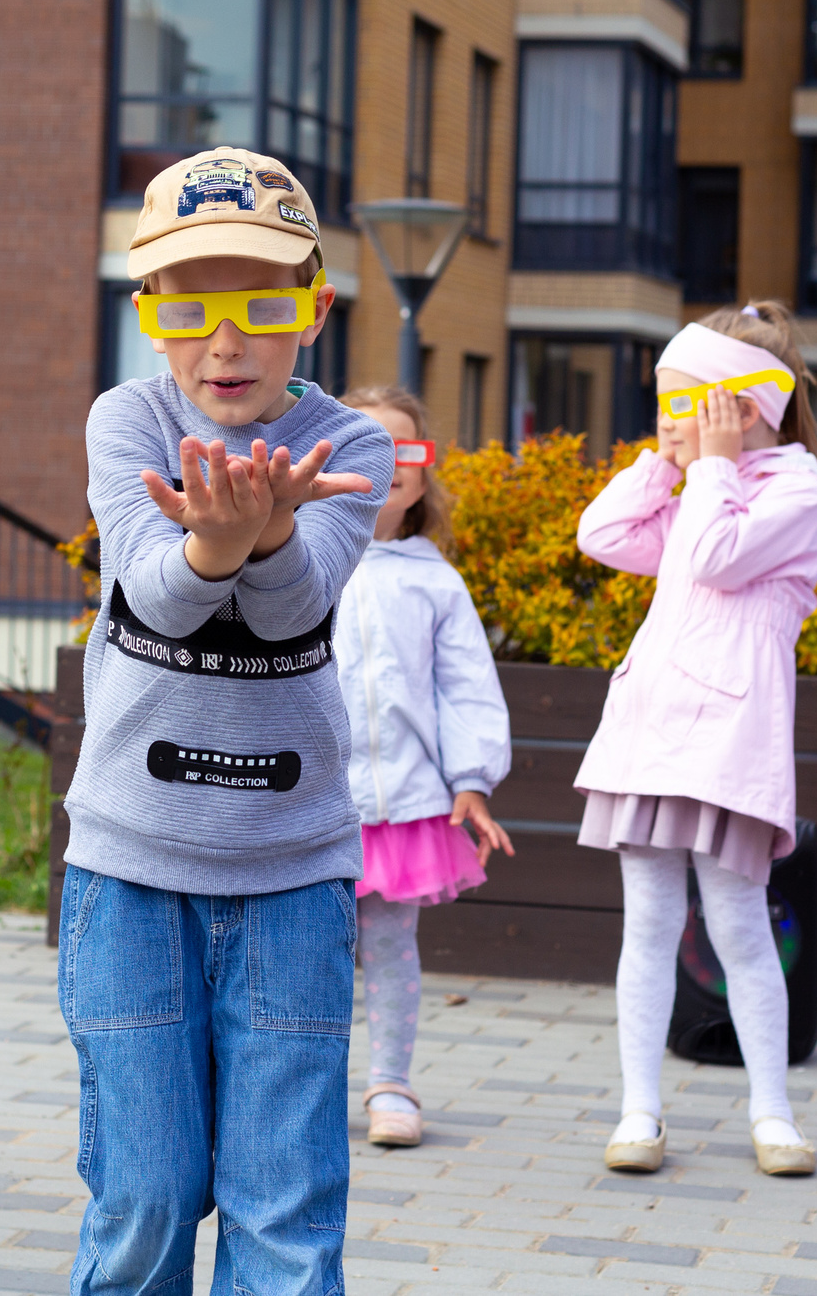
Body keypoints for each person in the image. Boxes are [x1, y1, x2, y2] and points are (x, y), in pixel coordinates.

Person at [66, 149, 390, 1295]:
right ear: (147, 312)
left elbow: (298, 606)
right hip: (130, 870)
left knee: (285, 1215)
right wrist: (221, 537)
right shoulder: (126, 420)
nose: (224, 342)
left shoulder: (350, 446)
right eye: (188, 309)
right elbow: (156, 595)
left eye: (260, 306)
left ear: (314, 309)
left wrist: (270, 533)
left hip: (293, 873)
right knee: (144, 1199)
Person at [572, 304, 817, 1179]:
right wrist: (668, 466)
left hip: (731, 742)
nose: (667, 420)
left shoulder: (799, 493)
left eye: (684, 404)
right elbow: (603, 535)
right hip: (652, 731)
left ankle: (772, 1111)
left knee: (739, 924)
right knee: (649, 923)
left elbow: (715, 557)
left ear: (746, 405)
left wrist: (715, 469)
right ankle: (639, 1110)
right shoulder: (701, 486)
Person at [333, 386, 513, 1152]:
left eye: (405, 449)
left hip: (405, 807)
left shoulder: (435, 579)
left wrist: (471, 780)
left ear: (422, 473)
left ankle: (390, 1083)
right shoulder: (299, 558)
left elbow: (466, 686)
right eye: (370, 445)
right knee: (309, 955)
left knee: (390, 948)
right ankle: (306, 1086)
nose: (389, 463)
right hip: (315, 805)